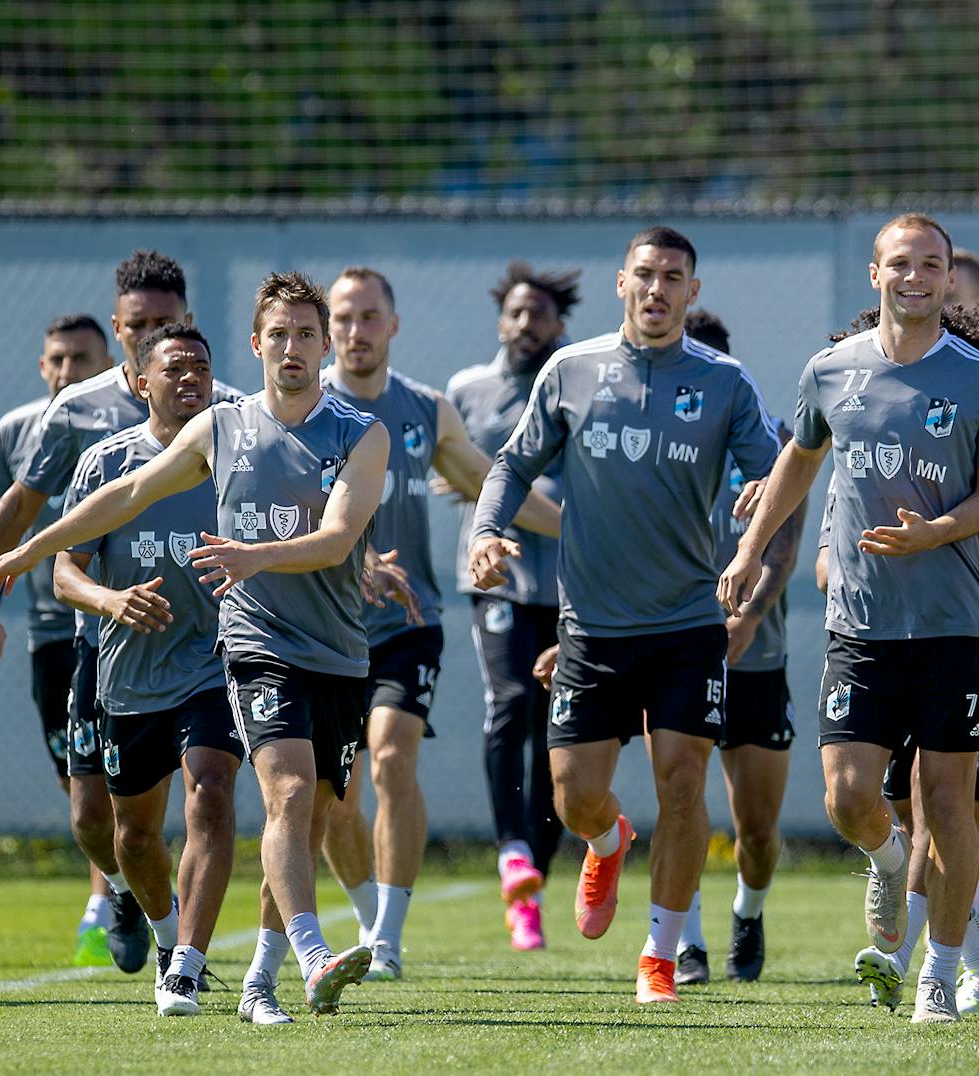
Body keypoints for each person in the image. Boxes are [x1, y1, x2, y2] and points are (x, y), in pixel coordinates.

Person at [0, 272, 385, 1025]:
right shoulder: (223, 429)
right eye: (279, 335)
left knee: (313, 815)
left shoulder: (361, 434)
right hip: (256, 644)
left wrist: (256, 554)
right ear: (257, 343)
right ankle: (310, 955)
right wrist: (28, 550)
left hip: (336, 651)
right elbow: (127, 495)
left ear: (326, 345)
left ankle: (260, 979)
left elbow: (335, 543)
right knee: (284, 795)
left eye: (306, 334)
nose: (292, 347)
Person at [723, 213, 979, 1023]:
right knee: (849, 798)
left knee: (948, 804)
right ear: (875, 273)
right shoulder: (830, 371)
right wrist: (751, 551)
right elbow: (799, 460)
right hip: (861, 626)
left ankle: (941, 971)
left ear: (950, 275)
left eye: (932, 263)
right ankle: (890, 863)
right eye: (901, 263)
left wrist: (936, 531)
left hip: (955, 625)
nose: (916, 276)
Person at [471, 226, 780, 1004]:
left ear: (692, 292)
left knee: (682, 782)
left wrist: (758, 523)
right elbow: (512, 464)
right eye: (644, 274)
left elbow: (777, 476)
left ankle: (660, 957)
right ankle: (607, 840)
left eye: (672, 277)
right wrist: (485, 531)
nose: (657, 289)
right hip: (592, 629)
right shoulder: (570, 371)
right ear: (621, 284)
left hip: (686, 625)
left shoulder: (726, 383)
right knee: (573, 796)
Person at [0, 250, 237, 973]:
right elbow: (22, 506)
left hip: (206, 648)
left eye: (166, 322)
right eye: (137, 325)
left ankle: (183, 953)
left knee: (207, 789)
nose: (152, 336)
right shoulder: (80, 410)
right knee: (98, 819)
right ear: (119, 326)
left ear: (186, 323)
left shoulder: (226, 411)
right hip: (96, 640)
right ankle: (126, 891)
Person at [317, 266, 561, 980]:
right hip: (322, 628)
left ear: (394, 326)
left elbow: (493, 484)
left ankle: (387, 937)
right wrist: (347, 558)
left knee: (392, 756)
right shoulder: (300, 411)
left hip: (407, 622)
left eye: (369, 317)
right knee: (334, 802)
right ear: (326, 328)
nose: (356, 332)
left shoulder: (426, 410)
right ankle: (367, 917)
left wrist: (585, 529)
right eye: (343, 319)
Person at [52, 323, 243, 1016]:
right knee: (129, 833)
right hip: (129, 674)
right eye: (174, 367)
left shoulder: (237, 458)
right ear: (140, 382)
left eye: (202, 366)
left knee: (211, 793)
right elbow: (65, 571)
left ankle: (187, 965)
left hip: (215, 662)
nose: (191, 377)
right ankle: (165, 934)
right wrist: (111, 600)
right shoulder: (107, 464)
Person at [444, 260, 580, 951]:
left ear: (561, 325)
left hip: (569, 584)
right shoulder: (468, 390)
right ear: (502, 320)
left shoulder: (577, 386)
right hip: (495, 581)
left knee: (561, 735)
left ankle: (534, 884)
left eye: (541, 315)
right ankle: (510, 852)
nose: (527, 325)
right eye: (517, 313)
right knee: (510, 704)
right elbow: (450, 460)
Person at [670, 307, 804, 986]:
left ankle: (748, 913)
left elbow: (784, 544)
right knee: (682, 793)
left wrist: (748, 617)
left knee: (756, 827)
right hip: (678, 649)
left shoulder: (776, 439)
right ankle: (684, 941)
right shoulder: (655, 438)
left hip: (758, 655)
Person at [0, 313, 121, 966]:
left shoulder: (126, 420)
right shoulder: (16, 430)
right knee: (80, 783)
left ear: (110, 358)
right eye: (58, 360)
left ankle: (110, 903)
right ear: (43, 367)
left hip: (117, 620)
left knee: (127, 780)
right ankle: (119, 887)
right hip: (49, 631)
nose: (69, 372)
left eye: (82, 359)